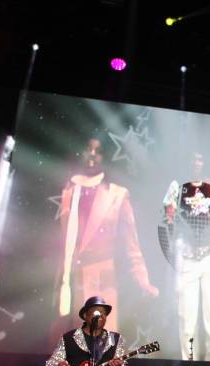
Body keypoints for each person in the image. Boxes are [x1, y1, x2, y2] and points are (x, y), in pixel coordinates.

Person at [53, 137, 158, 338]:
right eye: (88, 149)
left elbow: (132, 244)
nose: (92, 155)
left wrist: (142, 279)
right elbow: (64, 242)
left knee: (104, 343)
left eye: (97, 151)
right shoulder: (70, 191)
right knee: (76, 346)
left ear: (104, 156)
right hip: (73, 278)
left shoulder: (117, 195)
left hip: (103, 277)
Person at [162, 151, 210, 361]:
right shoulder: (177, 186)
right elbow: (169, 216)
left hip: (209, 256)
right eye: (192, 159)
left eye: (199, 159)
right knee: (187, 316)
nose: (196, 163)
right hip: (187, 255)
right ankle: (188, 365)